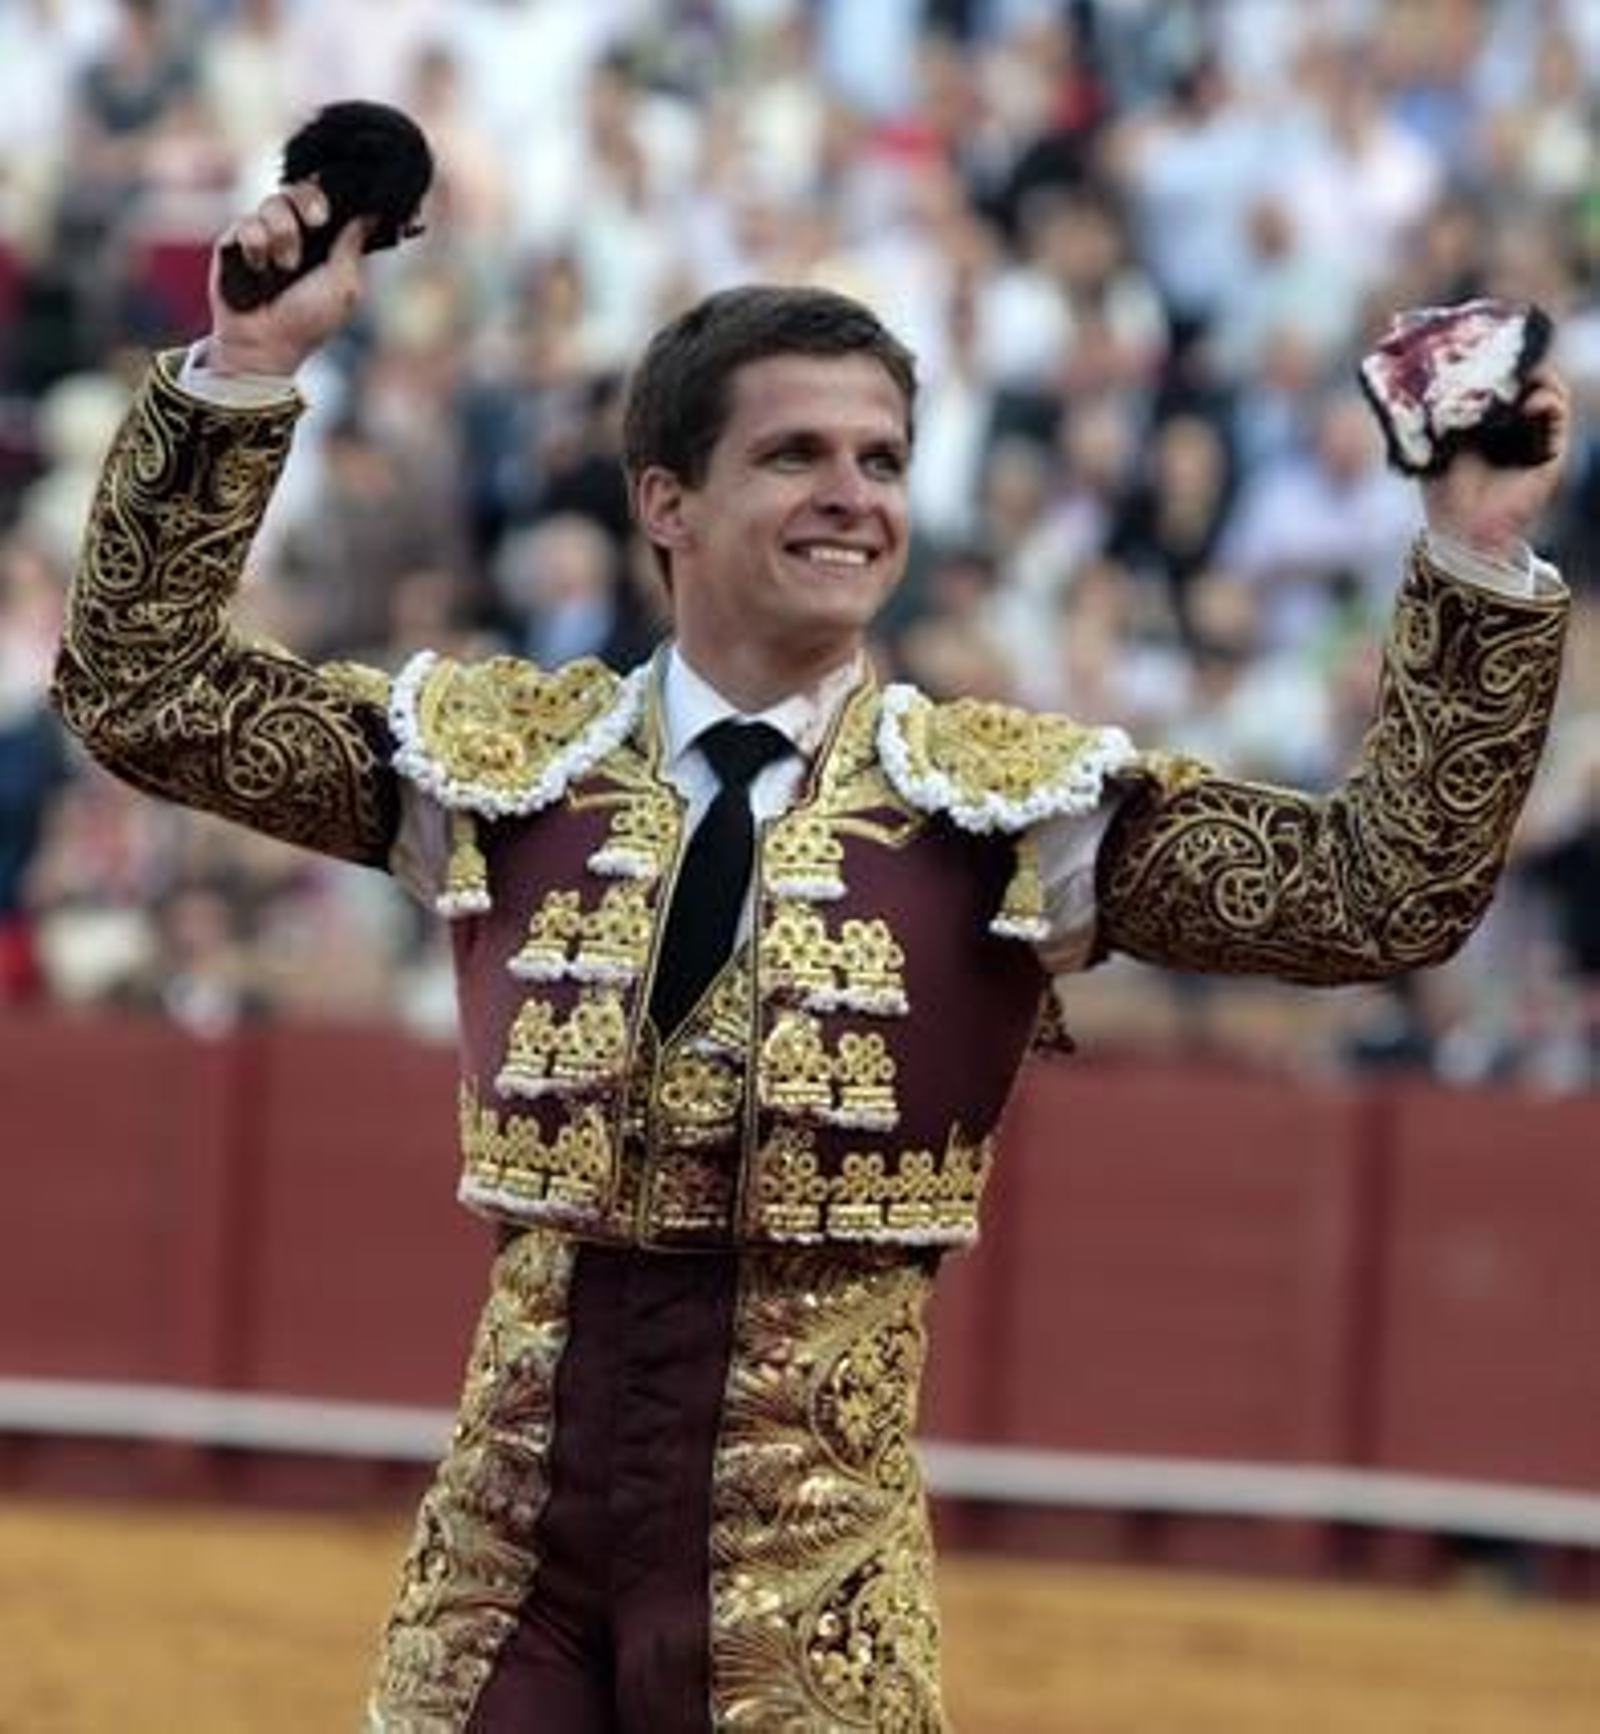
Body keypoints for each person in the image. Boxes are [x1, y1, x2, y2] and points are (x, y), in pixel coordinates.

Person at [53, 181, 1572, 1733]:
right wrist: (246, 365)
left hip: (813, 1607)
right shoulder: (500, 764)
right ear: (667, 501)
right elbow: (140, 690)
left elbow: (1379, 893)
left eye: (883, 460)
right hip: (500, 1586)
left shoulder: (1004, 811)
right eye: (795, 454)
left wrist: (1476, 551)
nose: (854, 494)